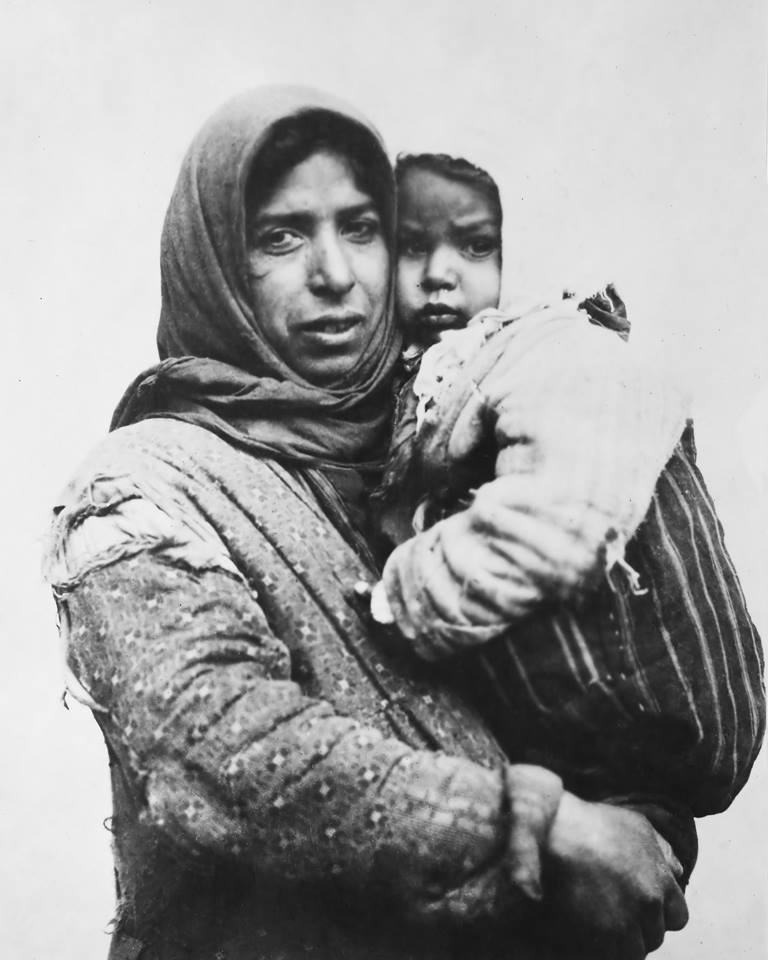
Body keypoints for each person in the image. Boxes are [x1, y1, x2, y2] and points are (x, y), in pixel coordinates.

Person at [43, 88, 688, 960]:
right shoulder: (144, 484)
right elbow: (219, 749)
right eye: (281, 237)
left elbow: (602, 710)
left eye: (361, 228)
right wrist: (544, 829)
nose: (336, 274)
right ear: (214, 263)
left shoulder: (449, 446)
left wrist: (640, 829)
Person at [371, 151, 765, 880]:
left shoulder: (553, 349)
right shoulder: (429, 379)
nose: (440, 273)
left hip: (644, 706)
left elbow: (565, 511)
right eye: (411, 246)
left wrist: (402, 599)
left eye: (475, 246)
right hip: (579, 761)